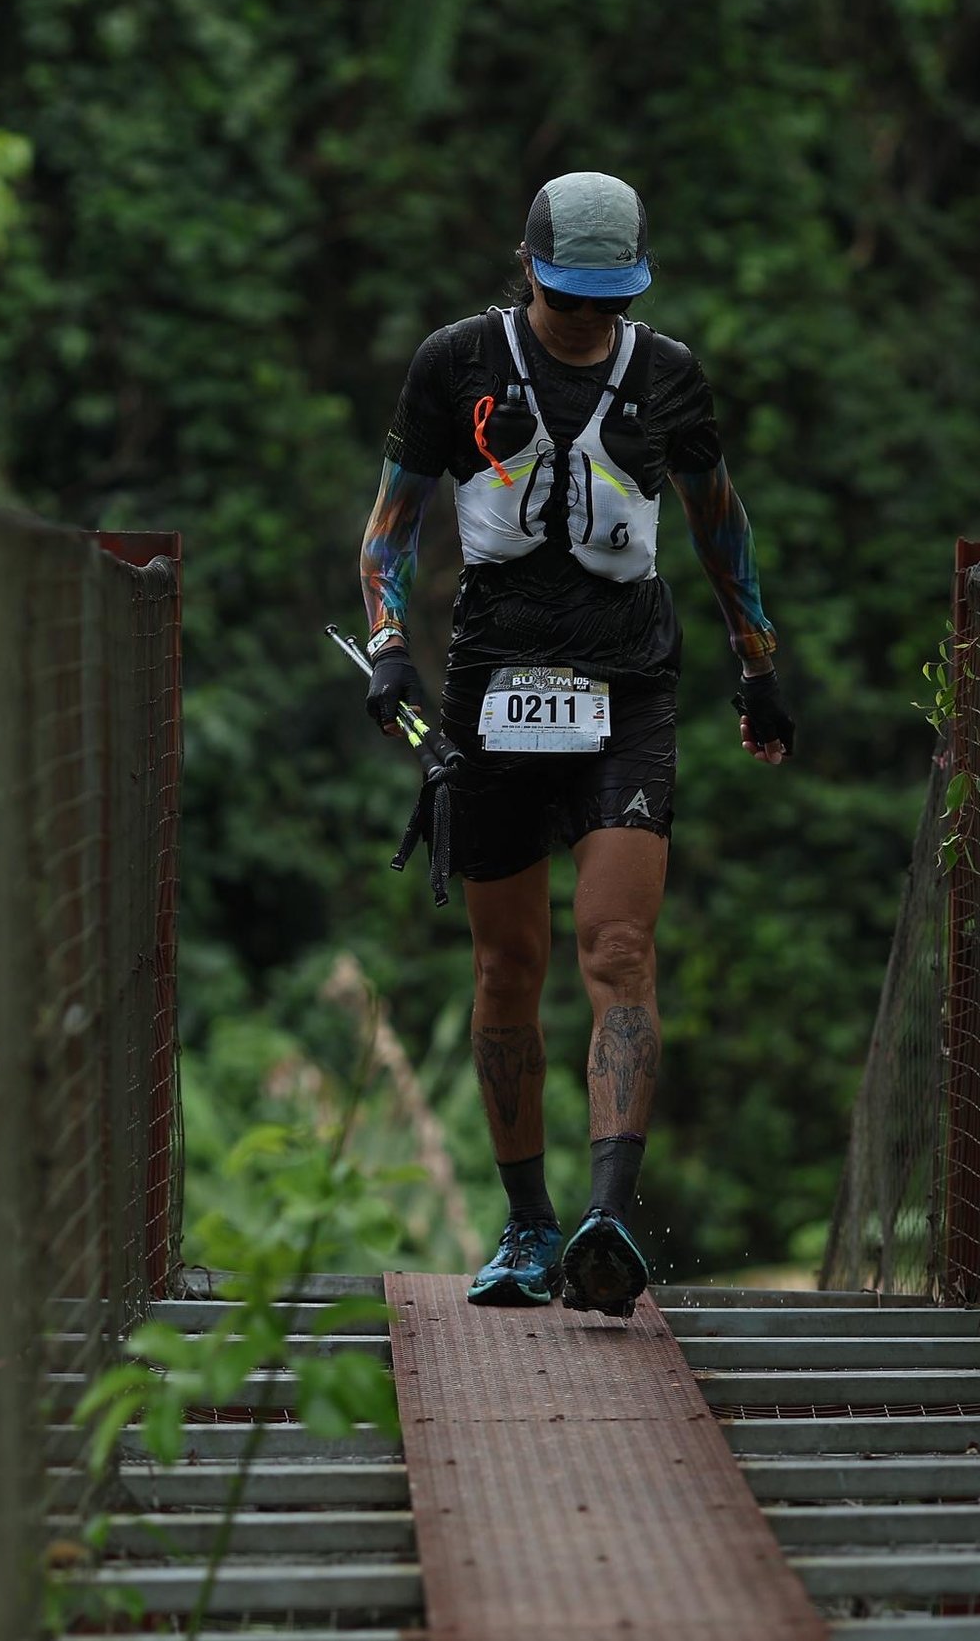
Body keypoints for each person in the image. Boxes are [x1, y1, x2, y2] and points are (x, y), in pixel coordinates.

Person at [355, 171, 796, 1316]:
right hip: (494, 688)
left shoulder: (668, 376)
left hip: (627, 687)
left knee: (620, 950)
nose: (586, 320)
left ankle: (606, 1217)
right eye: (567, 299)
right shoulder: (456, 363)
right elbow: (389, 530)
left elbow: (719, 522)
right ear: (528, 270)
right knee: (507, 965)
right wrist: (390, 647)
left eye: (608, 302)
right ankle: (528, 1226)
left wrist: (757, 664)